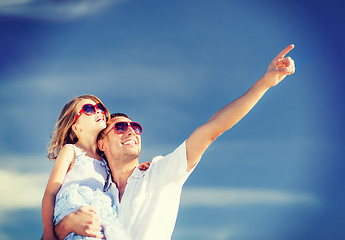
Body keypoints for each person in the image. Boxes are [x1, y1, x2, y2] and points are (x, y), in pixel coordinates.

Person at [54, 44, 296, 240]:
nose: (131, 131)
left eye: (135, 127)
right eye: (120, 127)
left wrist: (265, 82)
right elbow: (56, 229)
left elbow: (212, 129)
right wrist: (66, 225)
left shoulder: (161, 172)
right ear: (102, 144)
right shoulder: (95, 189)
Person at [42, 95, 143, 240]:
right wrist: (49, 235)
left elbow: (123, 170)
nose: (98, 111)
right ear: (76, 127)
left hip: (98, 223)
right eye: (89, 109)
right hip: (74, 216)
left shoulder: (106, 161)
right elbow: (50, 194)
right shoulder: (71, 151)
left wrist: (141, 167)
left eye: (100, 108)